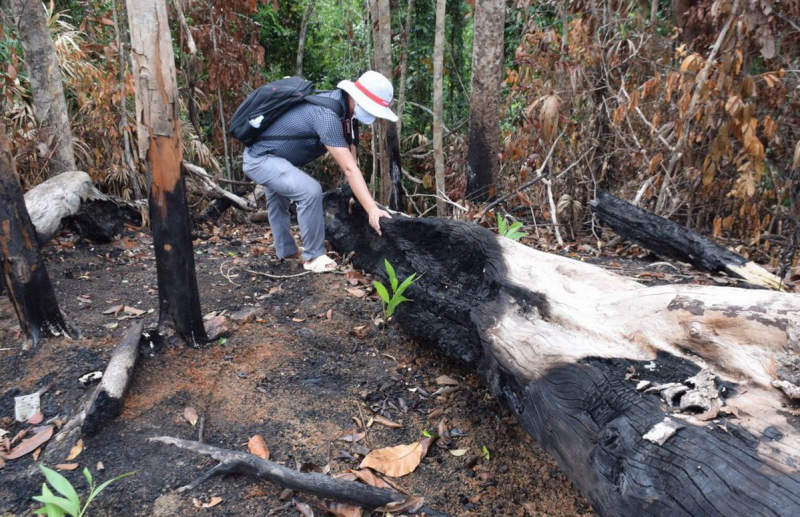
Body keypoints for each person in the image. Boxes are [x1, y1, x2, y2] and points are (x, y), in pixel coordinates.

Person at [243, 71, 397, 273]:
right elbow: (349, 168)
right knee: (309, 190)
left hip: (276, 158)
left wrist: (355, 195)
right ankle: (314, 256)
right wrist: (372, 209)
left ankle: (286, 250)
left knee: (278, 199)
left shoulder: (345, 112)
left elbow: (352, 156)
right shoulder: (328, 115)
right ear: (360, 99)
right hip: (260, 158)